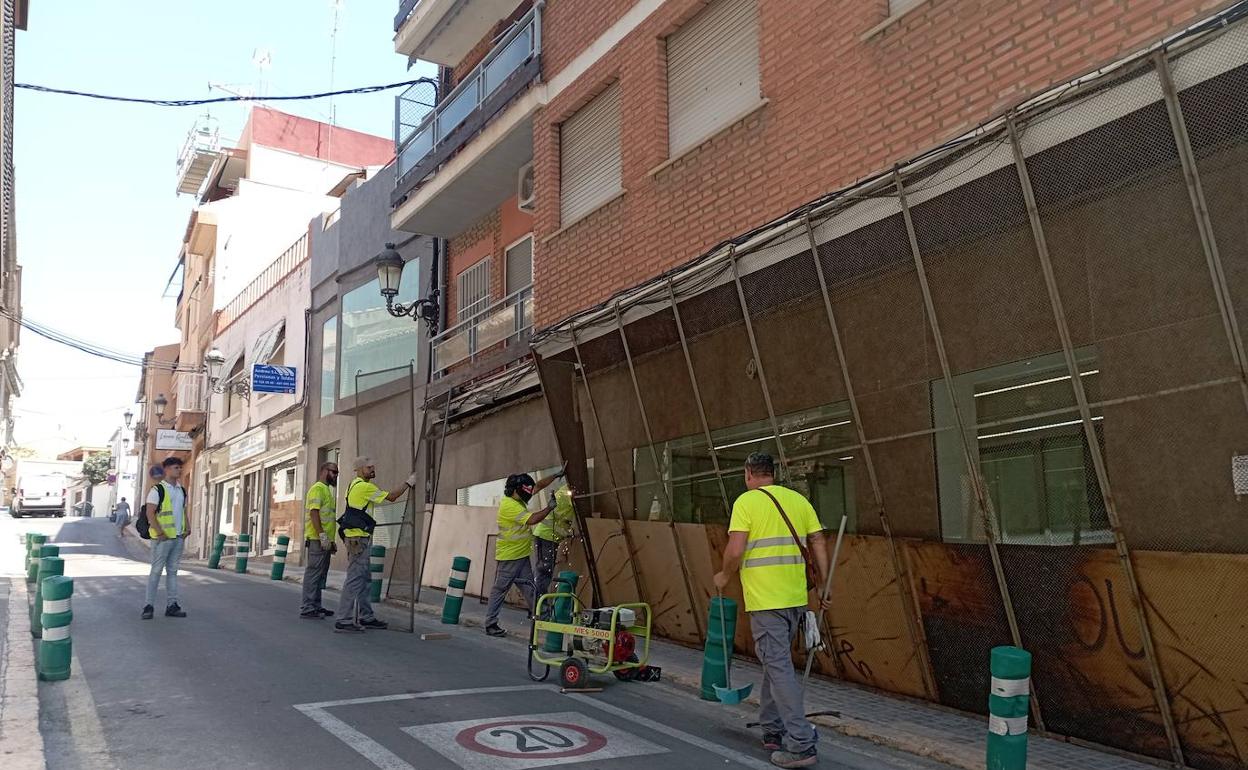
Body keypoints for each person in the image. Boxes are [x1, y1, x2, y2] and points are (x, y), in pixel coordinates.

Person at [713, 452, 830, 769]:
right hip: (795, 600)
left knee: (778, 668)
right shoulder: (797, 501)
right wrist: (823, 583)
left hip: (766, 602)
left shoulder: (746, 503)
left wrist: (724, 575)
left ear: (749, 473)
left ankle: (801, 743)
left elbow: (735, 549)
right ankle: (772, 729)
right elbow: (818, 540)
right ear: (772, 473)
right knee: (774, 663)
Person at [333, 457, 417, 633]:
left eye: (373, 466)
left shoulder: (353, 485)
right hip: (358, 538)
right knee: (355, 579)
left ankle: (366, 616)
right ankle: (344, 619)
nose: (372, 469)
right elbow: (392, 497)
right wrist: (408, 483)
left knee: (365, 578)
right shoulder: (364, 487)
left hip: (356, 537)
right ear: (360, 469)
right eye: (369, 467)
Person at [483, 471, 561, 638]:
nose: (530, 495)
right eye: (526, 492)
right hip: (510, 556)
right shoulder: (509, 506)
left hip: (521, 555)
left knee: (529, 589)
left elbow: (537, 486)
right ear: (517, 490)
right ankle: (490, 624)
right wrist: (549, 508)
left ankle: (543, 619)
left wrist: (555, 476)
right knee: (500, 589)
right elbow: (532, 519)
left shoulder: (517, 497)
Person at [142, 457, 191, 621]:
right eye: (176, 468)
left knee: (173, 572)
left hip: (177, 537)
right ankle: (148, 606)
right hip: (162, 539)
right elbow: (150, 513)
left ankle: (172, 605)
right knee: (156, 571)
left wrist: (187, 528)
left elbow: (183, 511)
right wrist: (160, 533)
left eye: (180, 468)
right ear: (167, 470)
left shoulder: (181, 490)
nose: (180, 470)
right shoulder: (158, 490)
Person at [300, 461, 339, 619]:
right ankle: (308, 606)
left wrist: (331, 540)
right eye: (334, 472)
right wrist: (322, 536)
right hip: (317, 539)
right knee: (313, 573)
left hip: (324, 540)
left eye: (337, 473)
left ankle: (316, 605)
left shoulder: (327, 490)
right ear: (324, 471)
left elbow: (328, 518)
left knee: (320, 574)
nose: (336, 475)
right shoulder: (317, 489)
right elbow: (314, 513)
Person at [532, 483, 575, 597]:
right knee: (545, 571)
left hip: (546, 535)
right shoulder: (568, 492)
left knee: (543, 571)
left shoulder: (564, 490)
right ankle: (540, 606)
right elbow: (579, 505)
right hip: (547, 536)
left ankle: (538, 604)